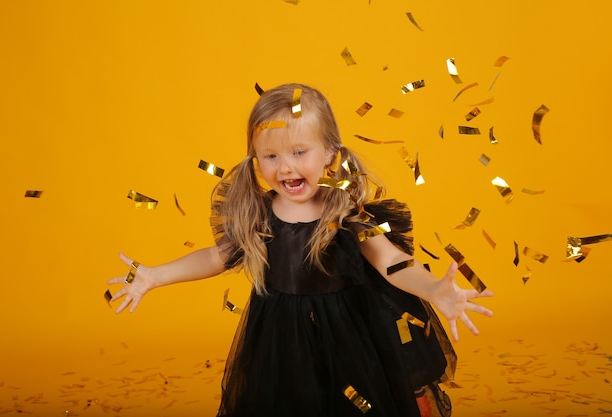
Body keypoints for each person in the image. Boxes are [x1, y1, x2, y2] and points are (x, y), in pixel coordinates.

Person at [106, 83, 493, 417]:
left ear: (328, 153)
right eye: (271, 156)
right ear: (256, 159)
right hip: (283, 336)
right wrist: (154, 276)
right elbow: (214, 257)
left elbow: (390, 260)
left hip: (351, 333)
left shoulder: (347, 211)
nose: (285, 167)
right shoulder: (259, 215)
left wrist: (432, 289)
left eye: (299, 152)